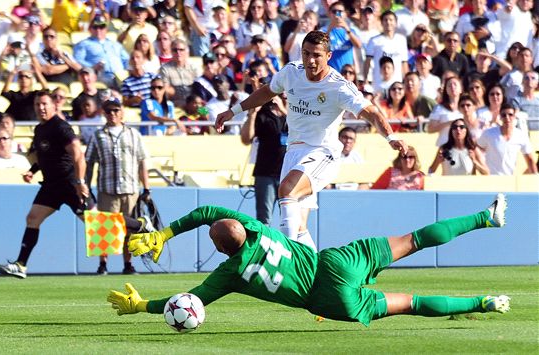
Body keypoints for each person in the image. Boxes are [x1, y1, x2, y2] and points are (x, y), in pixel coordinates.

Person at [108, 196, 511, 326]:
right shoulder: (256, 228)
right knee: (414, 239)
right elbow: (209, 211)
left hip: (327, 302)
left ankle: (483, 302)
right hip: (336, 263)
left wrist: (141, 305)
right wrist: (164, 232)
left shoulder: (230, 273)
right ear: (242, 230)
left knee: (411, 303)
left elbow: (189, 299)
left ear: (220, 249)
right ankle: (485, 217)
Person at [216, 31, 407, 251]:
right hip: (294, 152)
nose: (310, 60)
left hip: (323, 153)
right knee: (298, 226)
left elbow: (371, 112)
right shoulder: (291, 72)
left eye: (316, 55)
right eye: (306, 54)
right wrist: (233, 111)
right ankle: (316, 273)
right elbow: (267, 92)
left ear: (328, 55)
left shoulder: (339, 86)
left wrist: (390, 136)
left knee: (287, 191)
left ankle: (289, 259)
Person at [0, 91, 155, 279]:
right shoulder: (39, 129)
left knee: (98, 223)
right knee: (32, 218)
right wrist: (33, 170)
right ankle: (21, 265)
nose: (41, 108)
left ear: (54, 105)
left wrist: (80, 182)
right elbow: (46, 156)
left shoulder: (60, 127)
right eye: (38, 104)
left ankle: (140, 224)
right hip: (51, 186)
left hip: (69, 184)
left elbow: (78, 155)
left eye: (45, 104)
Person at [85, 99, 151, 275]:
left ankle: (127, 264)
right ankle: (103, 264)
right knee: (104, 228)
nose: (112, 114)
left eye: (115, 110)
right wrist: (86, 187)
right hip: (107, 188)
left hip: (130, 189)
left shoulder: (133, 134)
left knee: (129, 229)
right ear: (104, 113)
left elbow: (142, 162)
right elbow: (89, 163)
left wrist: (147, 188)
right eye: (108, 111)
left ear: (122, 112)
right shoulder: (98, 135)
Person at [240, 95, 287, 226]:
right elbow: (246, 139)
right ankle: (264, 245)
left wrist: (283, 110)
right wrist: (253, 114)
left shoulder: (294, 113)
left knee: (289, 218)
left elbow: (301, 129)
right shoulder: (263, 114)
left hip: (289, 173)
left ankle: (287, 246)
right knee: (264, 218)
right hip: (266, 173)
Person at [478, 103, 537, 175]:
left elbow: (530, 160)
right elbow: (478, 149)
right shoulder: (488, 133)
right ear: (500, 117)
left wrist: (535, 179)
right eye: (504, 115)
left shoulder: (521, 136)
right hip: (491, 179)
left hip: (510, 180)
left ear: (515, 116)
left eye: (510, 115)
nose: (507, 118)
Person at [73, 15, 129, 89]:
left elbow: (126, 59)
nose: (98, 30)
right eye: (95, 27)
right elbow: (78, 61)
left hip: (120, 76)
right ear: (90, 29)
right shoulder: (83, 44)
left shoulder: (115, 44)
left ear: (106, 29)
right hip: (100, 76)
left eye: (101, 27)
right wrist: (92, 67)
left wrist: (127, 71)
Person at [363, 11, 409, 87]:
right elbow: (367, 61)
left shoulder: (401, 40)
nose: (388, 22)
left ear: (396, 23)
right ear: (381, 22)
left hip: (397, 84)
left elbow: (404, 63)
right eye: (385, 20)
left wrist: (406, 80)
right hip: (379, 83)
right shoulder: (374, 40)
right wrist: (365, 79)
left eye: (391, 20)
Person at [160, 38, 202, 108]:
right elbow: (165, 90)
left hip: (194, 103)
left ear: (186, 52)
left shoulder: (194, 68)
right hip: (175, 104)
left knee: (205, 112)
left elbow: (200, 88)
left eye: (181, 50)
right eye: (175, 50)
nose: (178, 52)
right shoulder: (164, 69)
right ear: (171, 52)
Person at [322, 2, 362, 73]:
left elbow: (358, 45)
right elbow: (320, 45)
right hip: (330, 73)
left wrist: (347, 29)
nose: (337, 14)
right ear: (329, 14)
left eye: (340, 11)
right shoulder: (323, 30)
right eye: (334, 11)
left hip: (347, 74)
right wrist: (330, 29)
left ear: (345, 14)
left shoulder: (351, 30)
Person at [427, 76, 463, 146]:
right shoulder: (439, 108)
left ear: (461, 89)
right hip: (444, 144)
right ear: (446, 90)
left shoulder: (466, 106)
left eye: (455, 84)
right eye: (449, 85)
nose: (452, 87)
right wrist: (449, 123)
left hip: (462, 147)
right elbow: (430, 129)